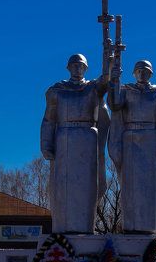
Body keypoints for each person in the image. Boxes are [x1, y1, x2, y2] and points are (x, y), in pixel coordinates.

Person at [40, 54, 109, 233]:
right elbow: (49, 119)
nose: (77, 69)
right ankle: (64, 227)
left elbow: (106, 80)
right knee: (64, 185)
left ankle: (85, 227)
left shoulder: (93, 87)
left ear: (86, 69)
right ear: (68, 68)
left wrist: (110, 57)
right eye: (74, 66)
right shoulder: (58, 90)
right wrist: (46, 144)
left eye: (81, 66)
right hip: (65, 138)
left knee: (87, 186)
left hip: (88, 138)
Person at [108, 60, 156, 234]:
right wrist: (114, 80)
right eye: (139, 71)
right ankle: (131, 226)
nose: (142, 74)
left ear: (151, 74)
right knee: (130, 184)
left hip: (151, 139)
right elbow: (114, 105)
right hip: (130, 139)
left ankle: (152, 227)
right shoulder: (125, 91)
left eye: (145, 71)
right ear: (134, 74)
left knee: (152, 186)